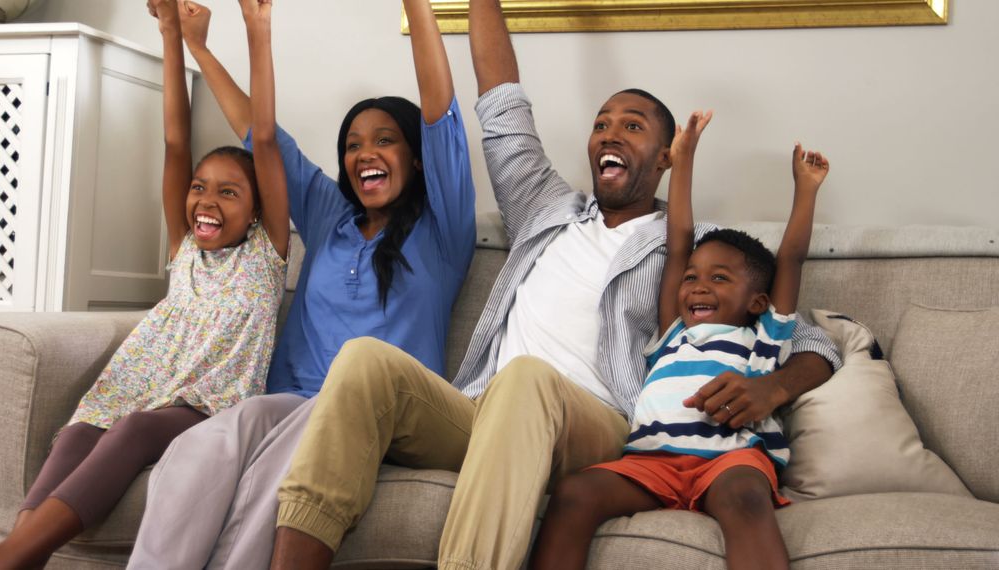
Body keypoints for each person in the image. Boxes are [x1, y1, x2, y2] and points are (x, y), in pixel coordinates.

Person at [265, 1, 842, 569]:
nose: (608, 135)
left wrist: (772, 389)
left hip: (590, 423)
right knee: (365, 360)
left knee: (527, 379)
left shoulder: (695, 249)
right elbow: (502, 103)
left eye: (631, 127)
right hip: (484, 410)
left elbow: (813, 341)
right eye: (601, 125)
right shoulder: (544, 209)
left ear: (667, 158)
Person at [0, 1, 289, 569]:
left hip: (206, 401)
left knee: (134, 430)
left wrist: (256, 30)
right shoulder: (185, 246)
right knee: (75, 434)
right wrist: (169, 35)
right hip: (137, 384)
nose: (206, 202)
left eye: (229, 193)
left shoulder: (266, 256)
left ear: (259, 211)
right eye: (198, 187)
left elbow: (264, 139)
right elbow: (173, 142)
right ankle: (21, 560)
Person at [126, 0, 475, 567]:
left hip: (369, 413)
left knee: (281, 461)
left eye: (384, 140)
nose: (365, 153)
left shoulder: (443, 230)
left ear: (416, 158)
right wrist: (196, 45)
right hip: (287, 400)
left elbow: (440, 112)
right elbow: (259, 131)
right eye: (354, 144)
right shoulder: (329, 215)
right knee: (204, 444)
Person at [529, 106, 830, 569]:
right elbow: (678, 239)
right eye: (692, 278)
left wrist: (805, 191)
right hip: (651, 461)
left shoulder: (763, 337)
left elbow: (790, 260)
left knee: (746, 500)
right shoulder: (673, 333)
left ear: (756, 301)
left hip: (728, 461)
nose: (698, 287)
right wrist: (684, 158)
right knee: (574, 492)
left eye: (720, 279)